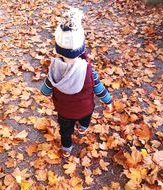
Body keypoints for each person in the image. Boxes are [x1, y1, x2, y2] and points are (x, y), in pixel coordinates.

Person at [40, 8, 113, 157]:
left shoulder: (54, 70)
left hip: (64, 112)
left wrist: (46, 92)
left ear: (58, 49)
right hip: (84, 108)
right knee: (85, 117)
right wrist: (108, 100)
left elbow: (45, 90)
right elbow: (98, 88)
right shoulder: (88, 71)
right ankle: (83, 127)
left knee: (65, 131)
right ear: (81, 48)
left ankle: (67, 149)